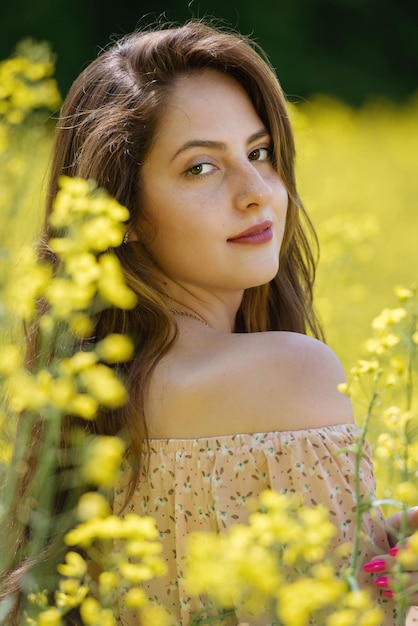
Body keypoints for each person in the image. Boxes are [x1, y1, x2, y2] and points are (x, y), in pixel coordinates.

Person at [2, 19, 418, 626]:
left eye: (259, 153)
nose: (256, 192)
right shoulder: (291, 374)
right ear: (123, 212)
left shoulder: (86, 398)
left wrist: (368, 551)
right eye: (201, 168)